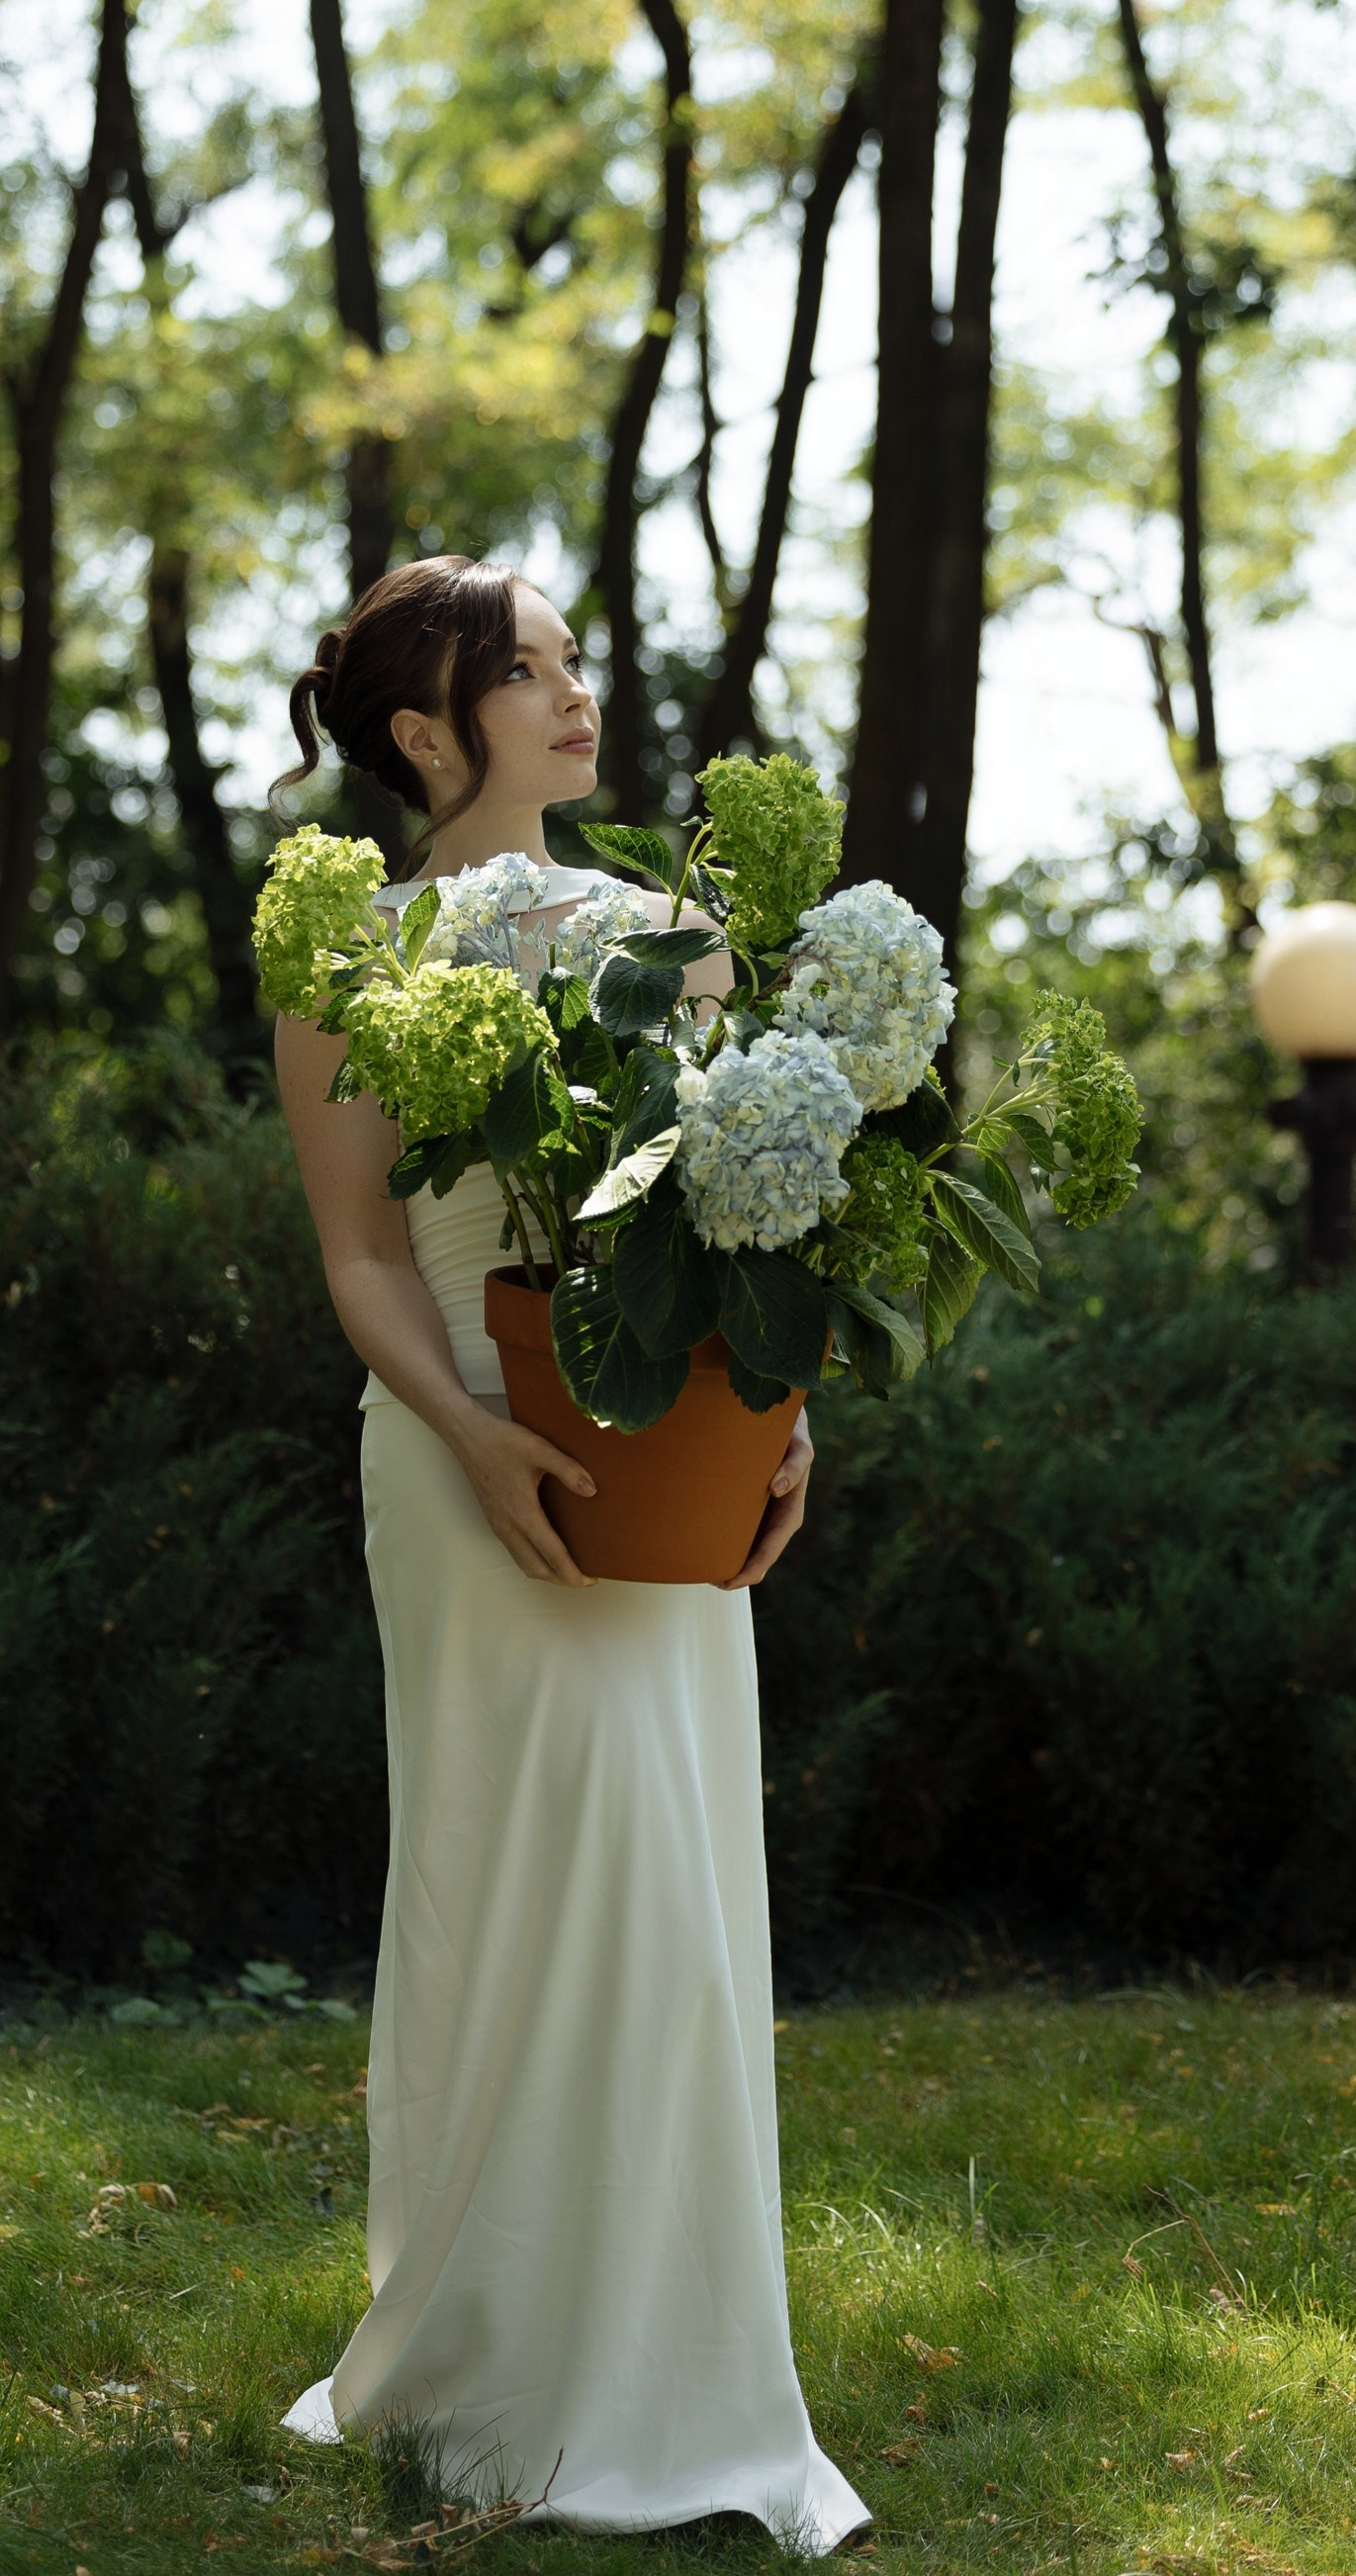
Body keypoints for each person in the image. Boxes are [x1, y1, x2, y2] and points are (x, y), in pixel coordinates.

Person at [274, 552, 869, 2552]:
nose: (572, 689)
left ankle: (677, 2365)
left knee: (671, 1891)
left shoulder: (678, 935)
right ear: (427, 733)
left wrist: (787, 1429)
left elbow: (746, 1228)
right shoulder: (346, 948)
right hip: (462, 1470)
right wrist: (465, 1432)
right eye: (521, 669)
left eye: (565, 658)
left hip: (664, 1476)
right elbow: (360, 1245)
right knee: (490, 1873)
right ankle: (477, 2361)